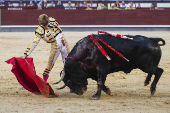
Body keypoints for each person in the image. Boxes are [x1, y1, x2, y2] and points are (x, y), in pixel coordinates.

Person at [21, 14, 70, 82]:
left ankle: (73, 84)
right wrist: (26, 54)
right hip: (56, 46)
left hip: (64, 43)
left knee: (69, 64)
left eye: (46, 24)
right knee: (49, 65)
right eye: (44, 26)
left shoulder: (52, 21)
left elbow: (59, 31)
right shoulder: (40, 30)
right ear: (41, 24)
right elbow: (34, 43)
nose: (46, 27)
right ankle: (44, 83)